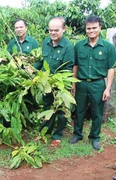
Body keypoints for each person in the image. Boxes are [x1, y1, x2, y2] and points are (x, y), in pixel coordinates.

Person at [69, 15, 116, 150]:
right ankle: (77, 134)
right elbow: (75, 66)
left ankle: (94, 137)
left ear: (100, 28)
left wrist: (107, 88)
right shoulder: (79, 46)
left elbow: (110, 69)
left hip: (98, 84)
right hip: (81, 83)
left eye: (94, 28)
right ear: (85, 29)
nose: (91, 31)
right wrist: (73, 84)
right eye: (89, 28)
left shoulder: (107, 47)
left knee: (97, 112)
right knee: (79, 111)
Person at [36, 17, 74, 147]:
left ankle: (57, 135)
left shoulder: (68, 46)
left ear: (64, 29)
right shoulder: (46, 42)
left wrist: (55, 82)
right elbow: (41, 61)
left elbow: (68, 69)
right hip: (47, 84)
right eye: (50, 30)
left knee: (60, 110)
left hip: (60, 84)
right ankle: (45, 132)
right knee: (47, 107)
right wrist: (32, 71)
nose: (52, 33)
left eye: (56, 30)